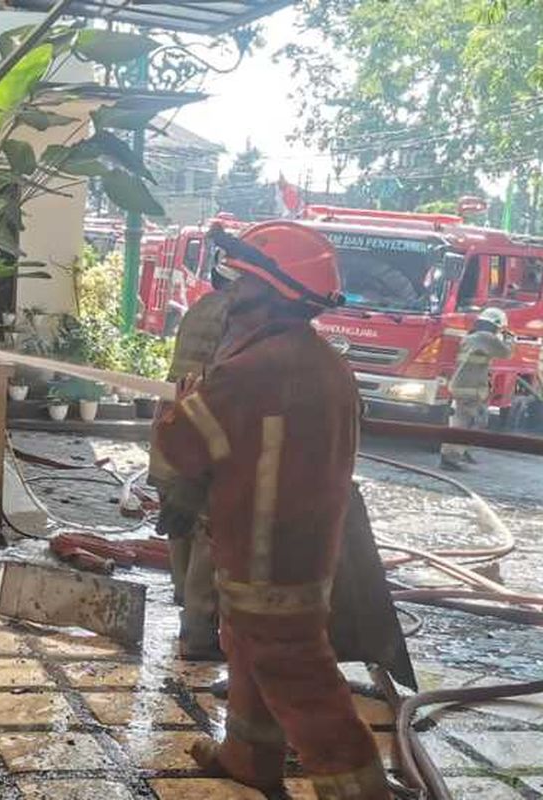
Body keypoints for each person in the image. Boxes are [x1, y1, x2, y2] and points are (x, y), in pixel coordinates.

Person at [153, 221, 389, 799]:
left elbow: (182, 445)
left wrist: (185, 399)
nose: (230, 294)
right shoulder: (326, 364)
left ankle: (358, 788)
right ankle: (249, 756)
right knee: (248, 644)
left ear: (269, 293)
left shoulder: (250, 372)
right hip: (305, 551)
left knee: (295, 671)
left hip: (262, 554)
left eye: (239, 282)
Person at [148, 242, 237, 660]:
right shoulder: (236, 318)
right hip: (201, 430)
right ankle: (198, 634)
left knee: (177, 523)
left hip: (171, 424)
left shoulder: (199, 309)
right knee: (206, 529)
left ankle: (184, 600)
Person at [441, 307, 513, 471]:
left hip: (464, 386)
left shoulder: (472, 336)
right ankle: (450, 458)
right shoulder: (486, 338)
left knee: (468, 421)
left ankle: (461, 452)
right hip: (470, 389)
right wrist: (508, 338)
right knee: (463, 423)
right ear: (495, 325)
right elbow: (506, 353)